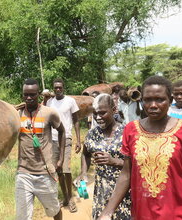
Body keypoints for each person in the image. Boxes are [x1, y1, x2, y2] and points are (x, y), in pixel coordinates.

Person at [98, 75, 182, 220]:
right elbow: (127, 173)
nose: (153, 105)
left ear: (170, 101)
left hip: (181, 212)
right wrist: (108, 211)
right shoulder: (131, 129)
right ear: (141, 101)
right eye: (147, 100)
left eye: (160, 99)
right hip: (144, 213)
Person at [75, 93, 131, 219]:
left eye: (102, 113)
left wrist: (115, 161)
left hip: (124, 192)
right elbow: (85, 153)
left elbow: (138, 164)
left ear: (114, 110)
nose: (98, 117)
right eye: (95, 113)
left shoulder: (127, 132)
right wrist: (83, 172)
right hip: (101, 191)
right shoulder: (92, 134)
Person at [16, 78, 65, 220]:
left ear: (39, 94)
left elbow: (62, 131)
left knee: (54, 210)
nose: (29, 98)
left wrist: (60, 159)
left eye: (32, 94)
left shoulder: (49, 113)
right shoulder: (17, 114)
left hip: (45, 173)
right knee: (22, 217)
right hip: (23, 173)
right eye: (26, 94)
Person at [45, 78, 80, 213]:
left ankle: (70, 199)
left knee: (66, 170)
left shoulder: (70, 101)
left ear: (63, 88)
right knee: (58, 170)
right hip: (53, 140)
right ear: (53, 89)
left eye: (60, 87)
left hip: (67, 138)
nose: (58, 89)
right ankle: (65, 197)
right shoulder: (49, 102)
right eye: (56, 88)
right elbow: (45, 118)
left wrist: (78, 140)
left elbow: (76, 120)